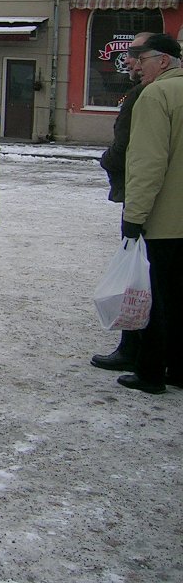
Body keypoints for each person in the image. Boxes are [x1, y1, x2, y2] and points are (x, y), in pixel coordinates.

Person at [118, 33, 183, 395]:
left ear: (163, 62)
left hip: (165, 221)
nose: (136, 66)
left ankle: (151, 370)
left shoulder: (156, 96)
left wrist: (135, 215)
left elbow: (147, 162)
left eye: (142, 59)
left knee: (155, 297)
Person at [92, 31, 152, 371]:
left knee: (138, 276)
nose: (128, 59)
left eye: (136, 53)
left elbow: (131, 148)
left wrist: (108, 159)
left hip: (141, 196)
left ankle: (135, 347)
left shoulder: (143, 95)